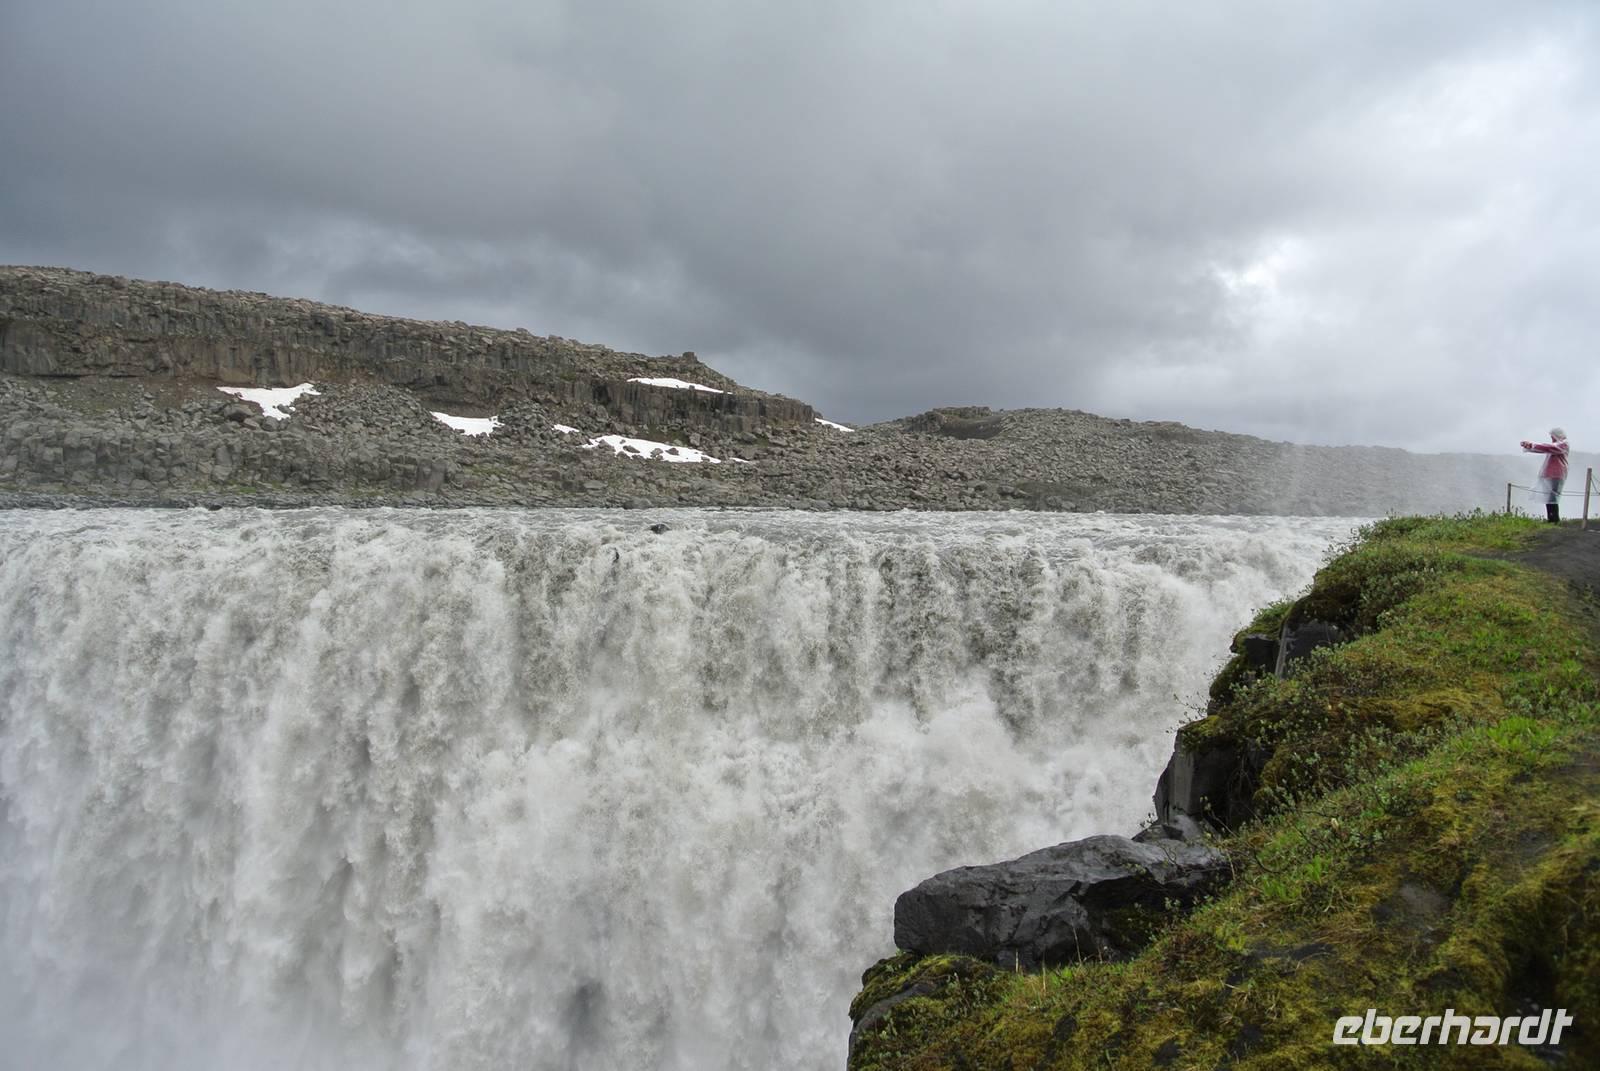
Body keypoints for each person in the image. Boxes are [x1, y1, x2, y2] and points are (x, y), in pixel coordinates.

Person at [1521, 427, 1569, 523]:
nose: (1552, 440)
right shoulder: (1557, 446)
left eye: (1553, 437)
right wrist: (1529, 447)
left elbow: (1548, 447)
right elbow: (1544, 449)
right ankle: (1551, 518)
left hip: (1556, 475)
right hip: (1550, 475)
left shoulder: (1563, 444)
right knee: (1549, 497)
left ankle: (1554, 519)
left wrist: (1531, 445)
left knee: (1552, 497)